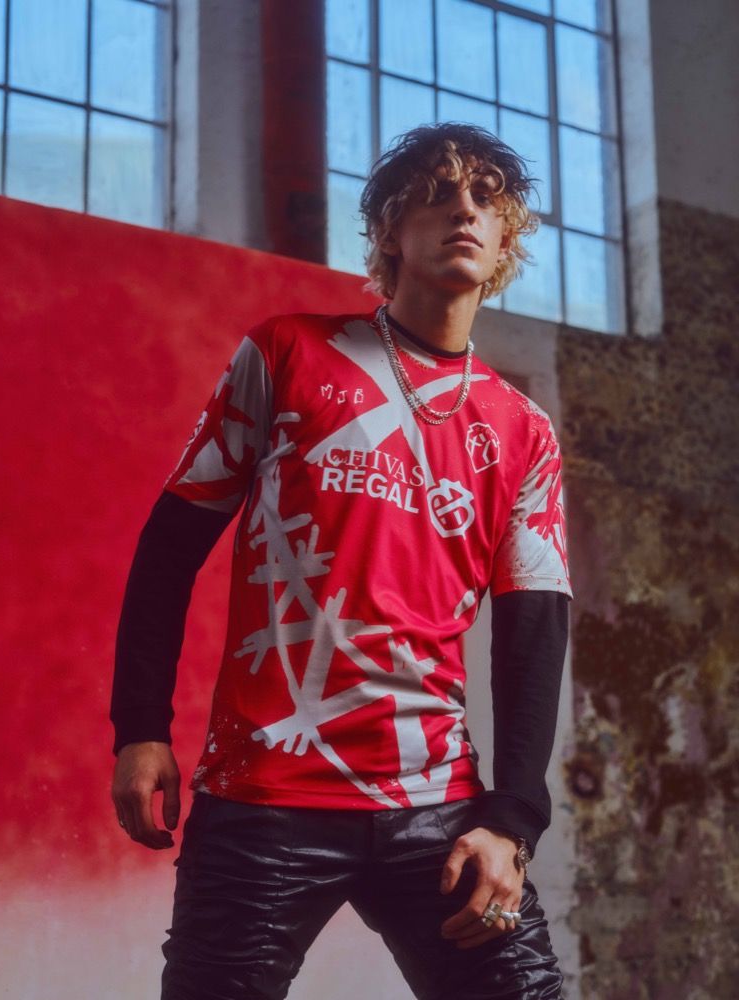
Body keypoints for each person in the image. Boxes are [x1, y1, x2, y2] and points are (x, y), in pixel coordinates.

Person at [111, 122, 573, 1000]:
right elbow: (168, 551)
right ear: (390, 231)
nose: (465, 212)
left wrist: (511, 822)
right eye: (438, 195)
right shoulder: (287, 354)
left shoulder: (523, 431)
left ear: (506, 240)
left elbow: (533, 633)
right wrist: (139, 727)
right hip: (266, 793)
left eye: (485, 200)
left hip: (437, 804)